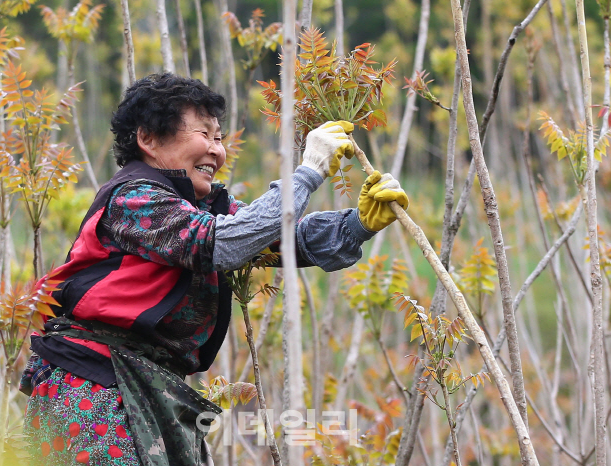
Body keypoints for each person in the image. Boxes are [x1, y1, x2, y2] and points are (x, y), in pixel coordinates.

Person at [21, 73, 409, 466]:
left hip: (149, 385)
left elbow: (278, 237)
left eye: (219, 138)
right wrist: (307, 172)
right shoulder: (135, 197)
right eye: (204, 134)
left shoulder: (204, 209)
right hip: (93, 382)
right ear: (148, 139)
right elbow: (220, 243)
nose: (216, 151)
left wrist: (356, 225)